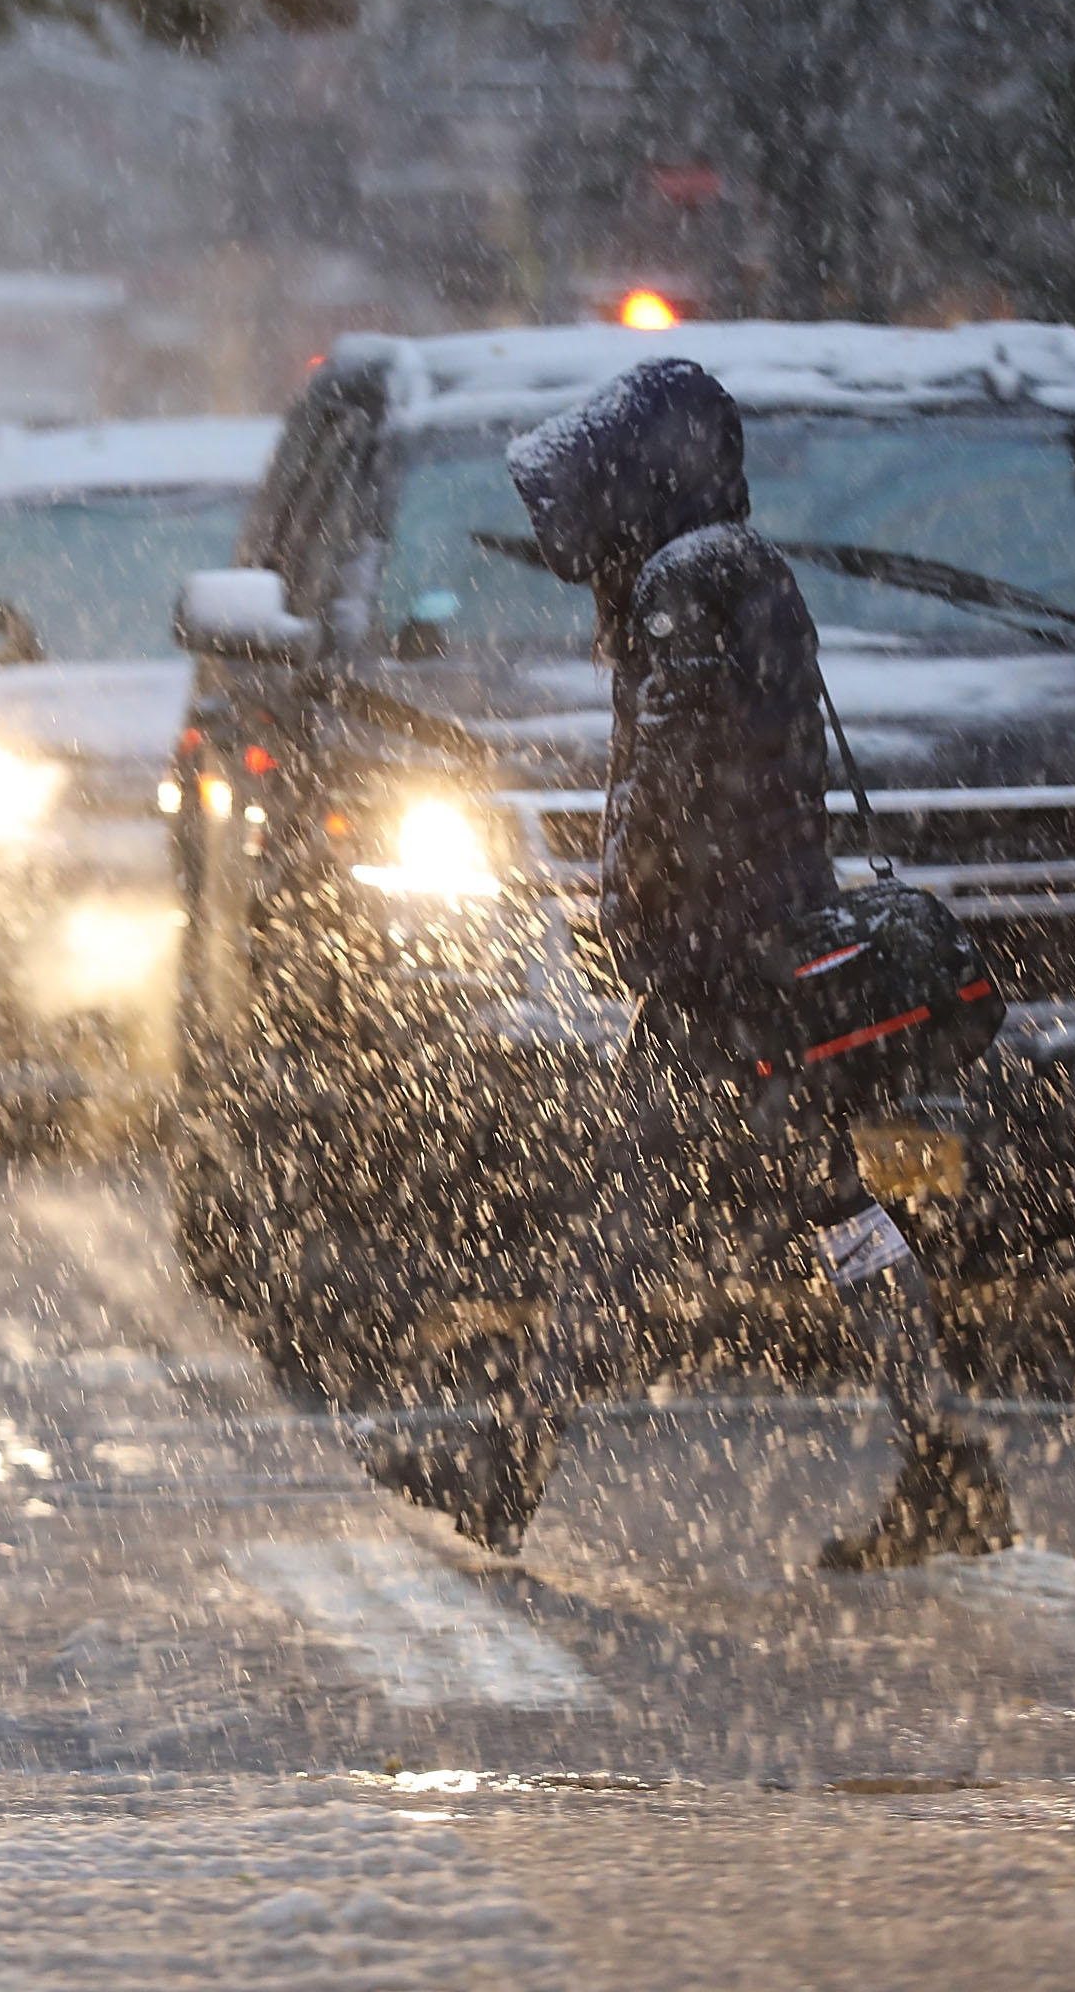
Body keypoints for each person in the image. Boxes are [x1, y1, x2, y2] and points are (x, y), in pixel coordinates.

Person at [360, 358, 1015, 1570]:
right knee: (840, 1209)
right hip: (771, 944)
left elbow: (668, 786)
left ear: (638, 476)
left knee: (622, 1222)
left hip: (722, 971)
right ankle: (946, 1455)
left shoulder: (680, 581)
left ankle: (516, 1464)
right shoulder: (739, 565)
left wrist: (650, 926)